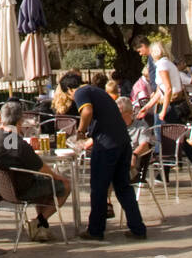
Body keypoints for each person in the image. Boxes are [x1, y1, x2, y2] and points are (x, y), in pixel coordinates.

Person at [60, 72, 146, 240]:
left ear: (69, 89)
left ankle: (95, 230)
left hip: (107, 146)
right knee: (123, 187)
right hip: (122, 142)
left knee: (99, 188)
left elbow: (87, 111)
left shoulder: (81, 93)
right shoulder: (97, 91)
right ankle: (138, 228)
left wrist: (80, 132)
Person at [0, 101, 71, 242]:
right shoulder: (17, 143)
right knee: (64, 185)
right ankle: (38, 222)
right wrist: (58, 177)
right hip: (21, 190)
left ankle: (41, 228)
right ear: (20, 120)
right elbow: (42, 168)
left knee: (45, 185)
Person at [137, 43, 192, 183]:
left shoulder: (162, 66)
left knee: (167, 140)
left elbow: (167, 89)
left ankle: (164, 176)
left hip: (169, 106)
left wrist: (162, 111)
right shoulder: (168, 64)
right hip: (172, 105)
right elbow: (161, 90)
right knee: (176, 140)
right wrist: (148, 106)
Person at [117, 98, 154, 181]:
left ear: (129, 112)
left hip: (132, 165)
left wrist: (134, 155)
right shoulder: (114, 125)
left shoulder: (141, 126)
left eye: (119, 113)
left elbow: (145, 145)